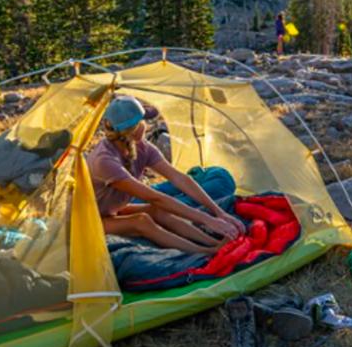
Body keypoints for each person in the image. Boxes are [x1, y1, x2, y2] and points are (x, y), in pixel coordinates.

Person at [87, 96, 246, 254]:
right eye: (144, 122)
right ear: (135, 129)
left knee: (158, 211)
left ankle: (213, 243)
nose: (147, 125)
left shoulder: (141, 147)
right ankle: (205, 252)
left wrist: (219, 213)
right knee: (141, 221)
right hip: (90, 221)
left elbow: (178, 178)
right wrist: (207, 219)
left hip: (112, 210)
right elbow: (155, 197)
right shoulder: (105, 161)